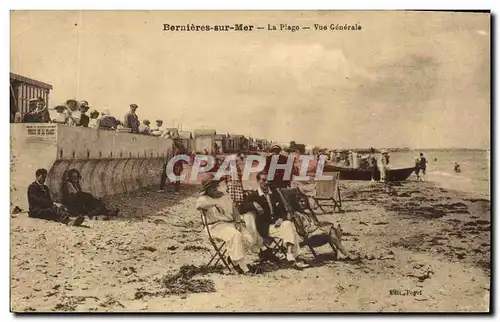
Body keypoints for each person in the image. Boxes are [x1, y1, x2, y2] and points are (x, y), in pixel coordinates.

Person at [243, 172, 309, 268]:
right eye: (263, 180)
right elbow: (241, 208)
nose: (266, 182)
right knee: (291, 229)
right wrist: (254, 205)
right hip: (265, 228)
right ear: (258, 181)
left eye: (267, 180)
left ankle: (289, 254)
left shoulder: (274, 193)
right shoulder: (254, 195)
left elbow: (283, 209)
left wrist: (281, 218)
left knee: (288, 224)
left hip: (277, 225)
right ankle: (296, 256)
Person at [196, 173, 256, 274]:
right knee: (235, 235)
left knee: (250, 239)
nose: (214, 189)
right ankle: (242, 267)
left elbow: (234, 209)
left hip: (231, 223)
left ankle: (232, 259)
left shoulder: (225, 195)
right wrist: (215, 203)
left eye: (215, 186)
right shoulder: (203, 199)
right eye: (211, 188)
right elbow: (199, 206)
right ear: (207, 189)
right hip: (215, 226)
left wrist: (237, 221)